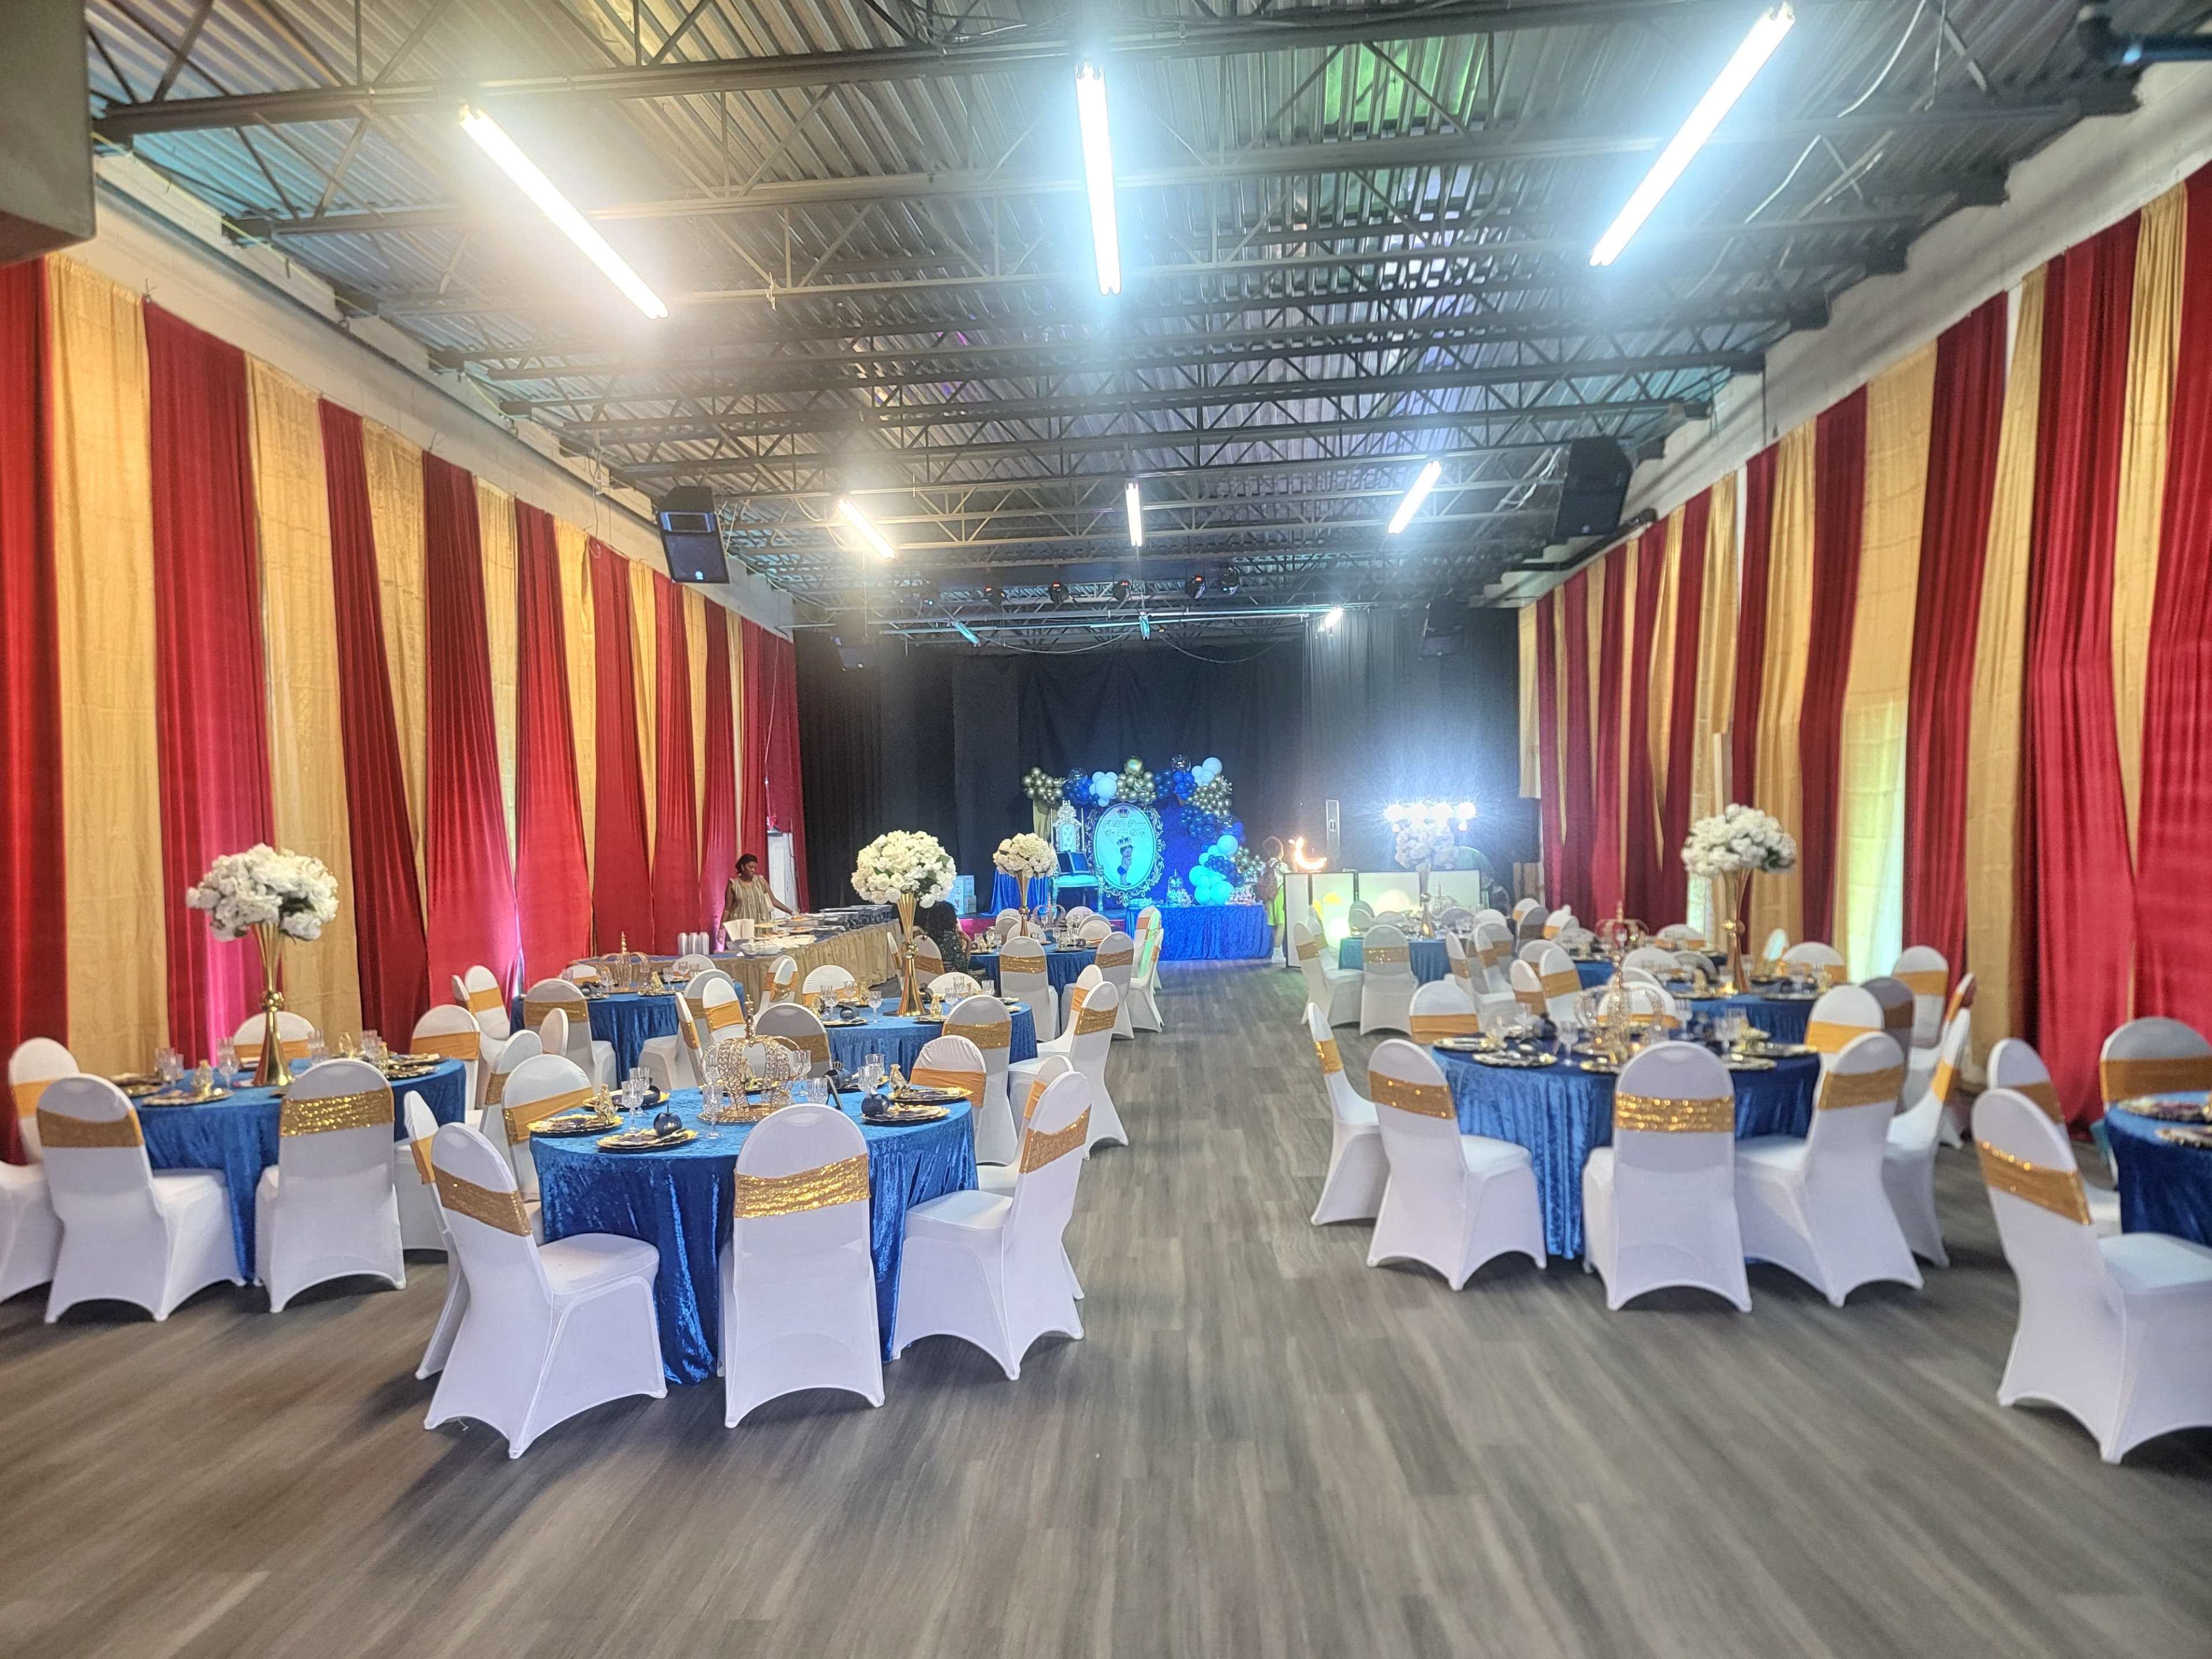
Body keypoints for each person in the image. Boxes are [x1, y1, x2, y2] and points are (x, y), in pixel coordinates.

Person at [721, 851, 794, 938]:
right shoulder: (733, 884)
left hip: (761, 924)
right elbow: (728, 910)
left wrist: (791, 912)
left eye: (755, 868)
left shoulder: (761, 881)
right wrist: (721, 929)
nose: (753, 870)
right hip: (742, 926)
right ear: (742, 867)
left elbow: (773, 901)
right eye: (750, 867)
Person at [1257, 836, 1290, 967]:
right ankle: (1277, 954)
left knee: (1275, 926)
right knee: (1282, 924)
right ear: (1280, 851)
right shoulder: (1281, 865)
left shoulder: (1264, 866)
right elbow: (1293, 877)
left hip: (1269, 899)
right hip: (1280, 896)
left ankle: (1278, 953)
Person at [914, 899, 971, 973]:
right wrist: (969, 942)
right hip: (950, 978)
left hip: (932, 977)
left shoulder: (928, 938)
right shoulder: (951, 938)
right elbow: (963, 967)